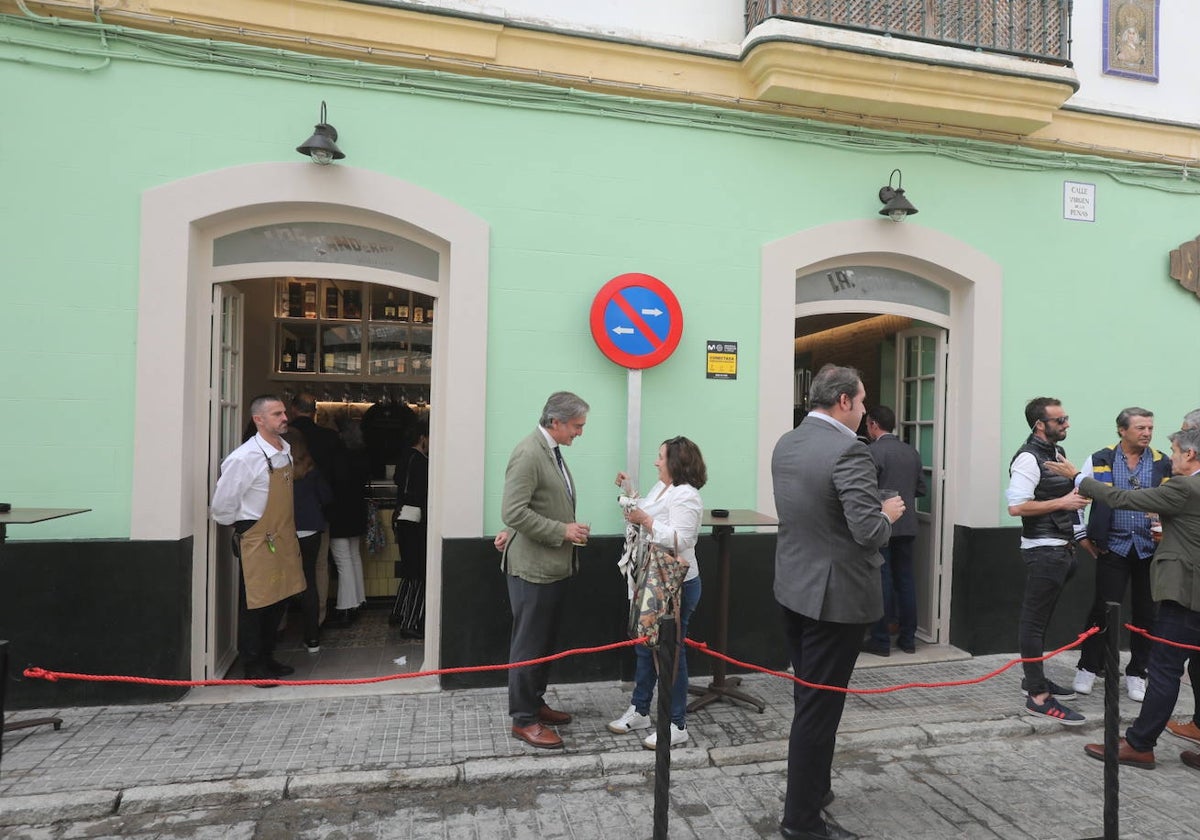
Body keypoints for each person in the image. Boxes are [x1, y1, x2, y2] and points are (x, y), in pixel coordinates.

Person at [772, 364, 904, 840]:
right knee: (818, 708)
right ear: (844, 401)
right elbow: (868, 532)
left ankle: (815, 790)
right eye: (863, 400)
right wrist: (887, 513)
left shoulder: (787, 441)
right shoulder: (849, 450)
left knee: (808, 699)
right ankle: (801, 822)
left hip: (793, 585)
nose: (866, 409)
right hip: (835, 596)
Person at [1045, 427, 1200, 772]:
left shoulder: (1185, 486)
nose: (1170, 456)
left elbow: (1122, 499)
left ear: (1190, 454)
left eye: (1174, 450)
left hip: (1187, 595)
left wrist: (1078, 477)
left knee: (1164, 670)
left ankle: (1140, 745)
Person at [493, 392, 591, 750]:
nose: (580, 432)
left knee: (543, 642)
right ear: (556, 422)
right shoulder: (529, 452)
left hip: (550, 565)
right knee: (529, 645)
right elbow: (513, 511)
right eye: (577, 426)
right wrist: (561, 530)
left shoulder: (549, 450)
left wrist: (563, 528)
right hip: (533, 569)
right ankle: (524, 720)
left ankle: (534, 702)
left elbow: (532, 507)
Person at [607, 436, 707, 750]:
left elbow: (682, 540)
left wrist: (646, 521)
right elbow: (648, 512)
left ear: (676, 462)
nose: (656, 462)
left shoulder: (686, 495)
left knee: (670, 654)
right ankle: (640, 710)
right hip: (652, 578)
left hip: (676, 583)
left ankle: (677, 724)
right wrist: (630, 493)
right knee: (644, 647)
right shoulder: (662, 488)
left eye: (660, 457)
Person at [1070, 408, 1169, 701]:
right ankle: (1088, 667)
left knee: (1147, 612)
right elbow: (1078, 497)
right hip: (1112, 547)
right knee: (1103, 608)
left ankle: (1138, 672)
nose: (1147, 433)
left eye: (1150, 427)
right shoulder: (1101, 459)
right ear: (1121, 430)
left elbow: (1174, 502)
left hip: (1151, 550)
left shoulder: (1164, 462)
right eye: (1140, 427)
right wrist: (1081, 535)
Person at [210, 395, 307, 682]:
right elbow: (222, 506)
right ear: (259, 420)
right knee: (257, 603)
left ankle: (268, 657)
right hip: (257, 534)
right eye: (277, 414)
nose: (284, 418)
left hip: (283, 534)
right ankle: (253, 665)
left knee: (279, 600)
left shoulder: (285, 451)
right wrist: (245, 529)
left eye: (284, 413)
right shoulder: (244, 458)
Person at [1005, 396, 1090, 725]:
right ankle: (1038, 696)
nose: (1067, 424)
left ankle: (1034, 678)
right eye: (1060, 420)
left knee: (1042, 620)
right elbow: (1016, 507)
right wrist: (1064, 502)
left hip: (1062, 549)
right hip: (1044, 550)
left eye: (1066, 418)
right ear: (1040, 424)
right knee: (1034, 623)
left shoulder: (1057, 453)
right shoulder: (1027, 458)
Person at [862, 405, 927, 657]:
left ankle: (880, 639)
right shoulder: (911, 452)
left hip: (882, 523)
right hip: (908, 523)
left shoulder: (871, 452)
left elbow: (864, 490)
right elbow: (921, 488)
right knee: (906, 580)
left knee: (883, 580)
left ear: (874, 424)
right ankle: (908, 639)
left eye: (868, 424)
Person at [284, 429, 333, 654]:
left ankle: (277, 629)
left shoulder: (277, 468)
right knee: (310, 581)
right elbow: (327, 497)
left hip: (284, 530)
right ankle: (312, 638)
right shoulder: (311, 470)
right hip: (311, 530)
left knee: (281, 581)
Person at [327, 414, 370, 626]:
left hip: (339, 514)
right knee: (353, 557)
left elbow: (334, 484)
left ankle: (345, 606)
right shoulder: (360, 455)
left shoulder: (336, 456)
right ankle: (358, 600)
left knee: (343, 560)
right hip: (356, 511)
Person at [391, 418, 430, 639]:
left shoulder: (404, 457)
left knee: (408, 568)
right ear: (422, 438)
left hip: (401, 516)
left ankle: (399, 612)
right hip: (416, 519)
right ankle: (411, 621)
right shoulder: (422, 462)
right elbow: (423, 495)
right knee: (418, 573)